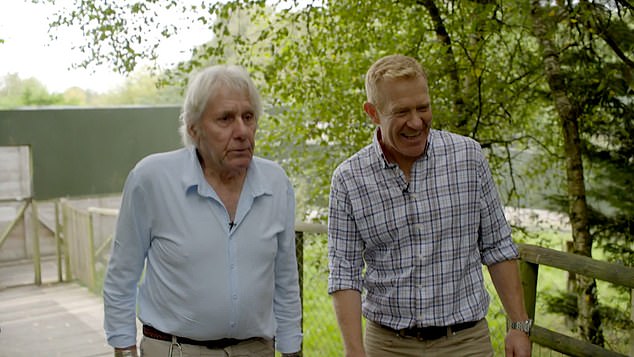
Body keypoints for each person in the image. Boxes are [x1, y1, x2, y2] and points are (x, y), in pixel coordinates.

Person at [327, 54, 532, 357]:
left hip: (466, 342)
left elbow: (498, 247)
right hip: (387, 346)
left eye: (423, 108)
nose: (416, 122)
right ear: (373, 113)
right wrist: (355, 352)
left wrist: (518, 326)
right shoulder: (348, 179)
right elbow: (344, 273)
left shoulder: (468, 158)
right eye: (401, 112)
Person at [103, 64, 302, 357]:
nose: (243, 131)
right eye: (225, 119)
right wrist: (124, 349)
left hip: (256, 350)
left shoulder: (276, 183)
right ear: (194, 129)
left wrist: (291, 350)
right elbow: (122, 276)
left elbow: (285, 278)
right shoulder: (152, 180)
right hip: (175, 349)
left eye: (248, 117)